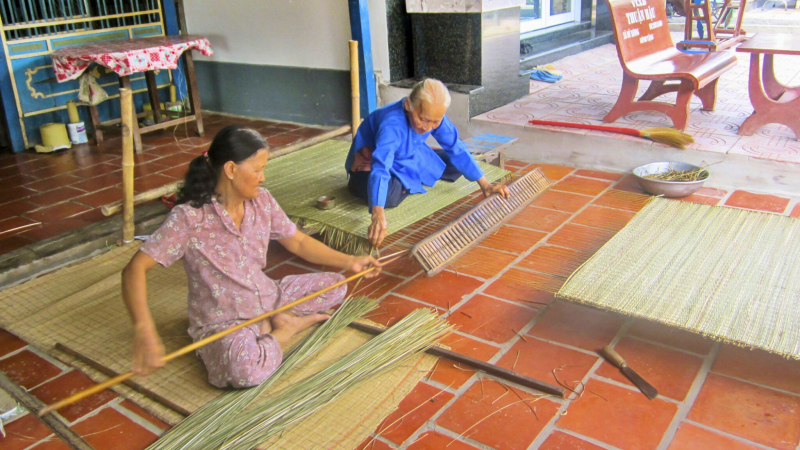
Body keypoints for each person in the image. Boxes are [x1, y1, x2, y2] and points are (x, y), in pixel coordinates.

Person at [122, 125, 381, 389]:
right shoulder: (189, 218)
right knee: (245, 371)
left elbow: (299, 242)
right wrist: (143, 329)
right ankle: (283, 330)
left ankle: (269, 324)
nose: (263, 177)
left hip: (269, 297)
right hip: (225, 321)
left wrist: (351, 261)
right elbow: (135, 269)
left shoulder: (263, 202)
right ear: (231, 170)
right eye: (257, 170)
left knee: (336, 285)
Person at [345, 78, 510, 248]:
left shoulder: (432, 115)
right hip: (370, 167)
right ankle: (403, 183)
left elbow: (455, 146)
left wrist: (486, 185)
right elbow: (380, 168)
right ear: (409, 105)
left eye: (435, 122)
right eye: (422, 119)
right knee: (388, 197)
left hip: (407, 157)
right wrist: (377, 213)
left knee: (455, 163)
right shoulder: (392, 124)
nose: (428, 128)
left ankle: (406, 182)